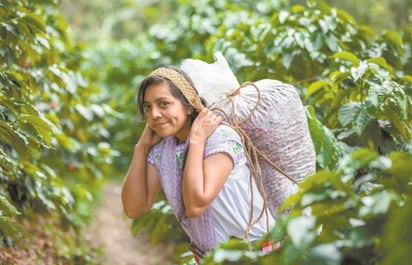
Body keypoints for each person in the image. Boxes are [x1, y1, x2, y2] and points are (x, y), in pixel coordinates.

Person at [121, 65, 275, 262]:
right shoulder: (164, 151)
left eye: (163, 104)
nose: (154, 115)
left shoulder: (221, 138)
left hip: (257, 254)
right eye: (147, 107)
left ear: (188, 105)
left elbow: (195, 205)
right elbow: (134, 208)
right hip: (212, 258)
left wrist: (196, 141)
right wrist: (141, 147)